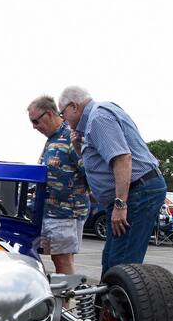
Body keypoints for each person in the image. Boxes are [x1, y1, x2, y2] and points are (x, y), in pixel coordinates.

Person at [57, 86, 165, 275]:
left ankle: (119, 303)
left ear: (73, 106)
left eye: (62, 113)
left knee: (121, 265)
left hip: (137, 192)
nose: (63, 119)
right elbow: (98, 162)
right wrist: (78, 146)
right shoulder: (99, 115)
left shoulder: (98, 118)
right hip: (135, 191)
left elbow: (123, 159)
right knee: (110, 261)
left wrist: (120, 204)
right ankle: (109, 303)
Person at [27, 95, 89, 274]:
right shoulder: (53, 139)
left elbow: (89, 172)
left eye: (36, 121)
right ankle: (61, 301)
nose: (34, 127)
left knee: (63, 260)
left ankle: (64, 302)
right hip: (50, 212)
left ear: (49, 114)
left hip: (66, 213)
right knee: (58, 258)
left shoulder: (71, 136)